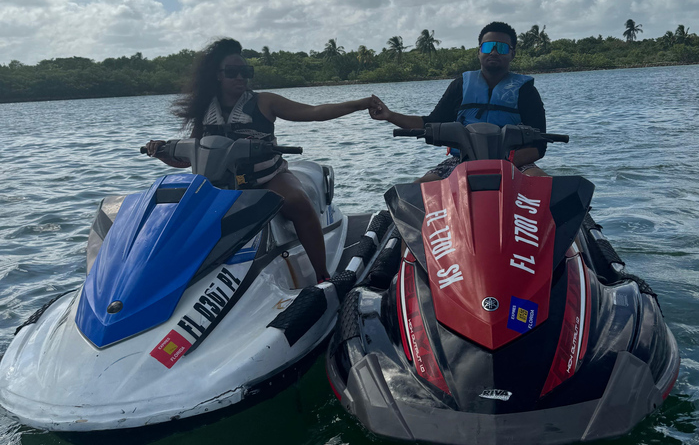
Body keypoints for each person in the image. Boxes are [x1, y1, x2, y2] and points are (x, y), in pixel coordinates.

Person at [145, 38, 378, 283]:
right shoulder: (205, 111)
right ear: (217, 76)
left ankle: (322, 275)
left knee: (298, 203)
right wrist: (162, 153)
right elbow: (189, 159)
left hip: (268, 178)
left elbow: (314, 113)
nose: (240, 78)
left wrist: (360, 104)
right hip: (221, 186)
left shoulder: (264, 102)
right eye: (232, 72)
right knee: (178, 216)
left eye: (246, 72)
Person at [370, 21, 547, 181]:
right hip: (461, 160)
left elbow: (539, 145)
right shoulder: (460, 86)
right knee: (417, 189)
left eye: (501, 48)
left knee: (546, 185)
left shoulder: (526, 91)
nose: (493, 52)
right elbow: (429, 123)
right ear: (479, 52)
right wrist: (389, 115)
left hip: (514, 162)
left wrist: (503, 162)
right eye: (488, 47)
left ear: (512, 54)